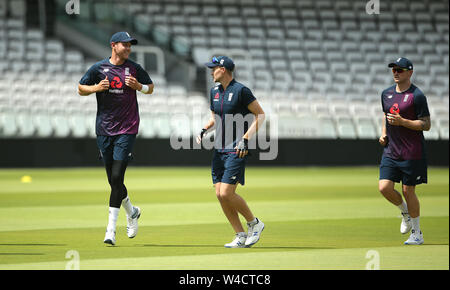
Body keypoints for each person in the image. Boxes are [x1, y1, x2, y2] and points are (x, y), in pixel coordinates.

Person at [78, 32, 154, 246]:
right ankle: (132, 211)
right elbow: (80, 88)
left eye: (130, 45)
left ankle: (110, 231)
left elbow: (151, 88)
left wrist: (139, 87)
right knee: (113, 180)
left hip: (127, 128)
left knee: (118, 176)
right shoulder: (98, 68)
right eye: (125, 44)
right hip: (104, 129)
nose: (129, 48)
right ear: (113, 45)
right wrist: (96, 88)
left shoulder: (135, 68)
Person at [196, 56, 266, 248]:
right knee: (219, 194)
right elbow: (215, 118)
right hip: (219, 148)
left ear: (224, 70)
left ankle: (254, 223)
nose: (211, 72)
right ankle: (240, 234)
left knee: (227, 192)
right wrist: (204, 129)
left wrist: (245, 139)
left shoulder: (241, 90)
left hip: (236, 148)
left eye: (214, 68)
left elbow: (260, 115)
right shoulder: (214, 91)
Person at [378, 57, 431, 245]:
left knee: (409, 191)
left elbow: (426, 124)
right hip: (391, 150)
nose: (396, 73)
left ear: (410, 72)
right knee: (384, 188)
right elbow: (386, 117)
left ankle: (417, 233)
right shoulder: (386, 94)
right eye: (393, 69)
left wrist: (403, 122)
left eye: (400, 70)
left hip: (412, 152)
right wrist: (384, 134)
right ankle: (405, 212)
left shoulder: (417, 96)